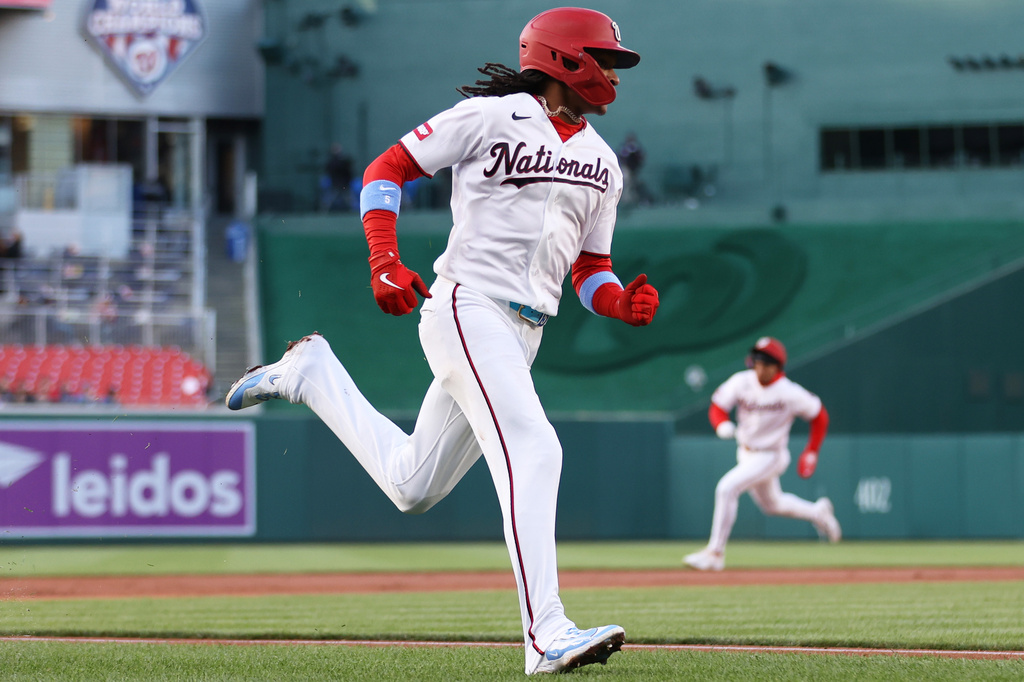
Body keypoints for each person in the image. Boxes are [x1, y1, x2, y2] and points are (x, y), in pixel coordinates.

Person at [226, 7, 658, 675]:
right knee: (536, 448)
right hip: (467, 307)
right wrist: (382, 259)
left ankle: (310, 373)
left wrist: (620, 304)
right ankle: (546, 634)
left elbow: (590, 272)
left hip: (525, 332)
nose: (613, 74)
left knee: (412, 485)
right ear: (564, 59)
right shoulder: (494, 117)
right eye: (605, 60)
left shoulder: (605, 163)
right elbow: (385, 168)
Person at [684, 337, 840, 572]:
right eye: (757, 361)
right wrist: (721, 424)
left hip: (771, 455)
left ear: (777, 366)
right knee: (773, 505)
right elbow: (718, 406)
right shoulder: (741, 381)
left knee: (727, 488)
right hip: (746, 452)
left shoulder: (789, 392)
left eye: (766, 363)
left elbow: (820, 416)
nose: (760, 367)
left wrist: (812, 451)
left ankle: (715, 553)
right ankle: (818, 512)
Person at [321, 143, 354, 212]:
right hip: (335, 184)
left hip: (344, 184)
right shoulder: (332, 161)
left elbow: (348, 171)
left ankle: (355, 211)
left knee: (350, 199)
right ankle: (323, 212)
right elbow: (329, 169)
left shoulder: (344, 160)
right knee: (329, 199)